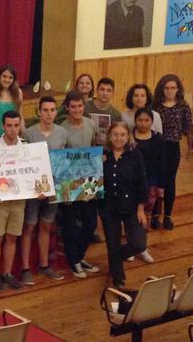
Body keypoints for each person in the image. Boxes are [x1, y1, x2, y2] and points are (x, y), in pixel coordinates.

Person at [20, 97, 68, 285]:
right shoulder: (28, 133)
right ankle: (25, 268)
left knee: (46, 226)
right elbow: (24, 161)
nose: (49, 113)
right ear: (39, 112)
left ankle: (44, 265)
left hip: (53, 188)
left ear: (56, 112)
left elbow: (65, 161)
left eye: (52, 110)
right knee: (29, 226)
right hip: (33, 190)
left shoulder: (62, 133)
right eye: (45, 110)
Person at [99, 122, 148, 289]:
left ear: (128, 137)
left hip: (131, 205)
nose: (118, 138)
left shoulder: (135, 155)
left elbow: (142, 182)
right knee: (112, 241)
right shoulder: (102, 155)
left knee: (139, 244)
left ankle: (116, 257)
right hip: (108, 206)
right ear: (109, 136)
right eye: (115, 135)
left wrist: (141, 209)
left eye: (122, 135)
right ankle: (118, 278)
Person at [60, 91, 101, 278]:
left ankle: (80, 256)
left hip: (89, 179)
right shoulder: (62, 129)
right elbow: (60, 157)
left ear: (84, 106)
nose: (77, 110)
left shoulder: (91, 124)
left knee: (91, 221)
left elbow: (94, 147)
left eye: (80, 106)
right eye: (73, 106)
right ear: (67, 108)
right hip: (69, 180)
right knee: (71, 223)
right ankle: (74, 261)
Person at [0, 111, 27, 290]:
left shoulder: (27, 146)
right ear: (3, 126)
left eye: (16, 125)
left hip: (19, 199)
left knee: (12, 237)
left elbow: (33, 171)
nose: (13, 129)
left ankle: (7, 273)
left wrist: (39, 189)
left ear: (20, 126)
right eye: (9, 125)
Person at [152, 74, 192, 230]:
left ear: (178, 89)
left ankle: (167, 216)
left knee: (170, 181)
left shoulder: (183, 106)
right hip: (157, 147)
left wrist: (190, 147)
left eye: (173, 88)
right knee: (156, 180)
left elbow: (188, 128)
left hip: (173, 147)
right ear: (162, 89)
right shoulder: (155, 106)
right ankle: (155, 215)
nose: (169, 91)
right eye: (167, 88)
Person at [133, 108, 165, 262]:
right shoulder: (129, 137)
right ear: (135, 121)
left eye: (147, 120)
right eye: (140, 120)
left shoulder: (158, 139)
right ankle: (132, 246)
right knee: (131, 216)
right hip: (132, 182)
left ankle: (142, 247)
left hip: (151, 182)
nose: (143, 123)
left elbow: (162, 163)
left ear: (152, 122)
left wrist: (161, 185)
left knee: (145, 215)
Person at [0, 65, 23, 142]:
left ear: (14, 79)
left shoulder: (18, 93)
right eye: (4, 76)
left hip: (14, 137)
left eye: (10, 77)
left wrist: (21, 135)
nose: (7, 80)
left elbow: (21, 116)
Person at [85, 78, 123, 146]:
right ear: (97, 90)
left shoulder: (116, 114)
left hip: (106, 148)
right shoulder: (84, 107)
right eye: (102, 89)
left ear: (113, 93)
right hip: (85, 147)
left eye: (109, 90)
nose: (105, 93)